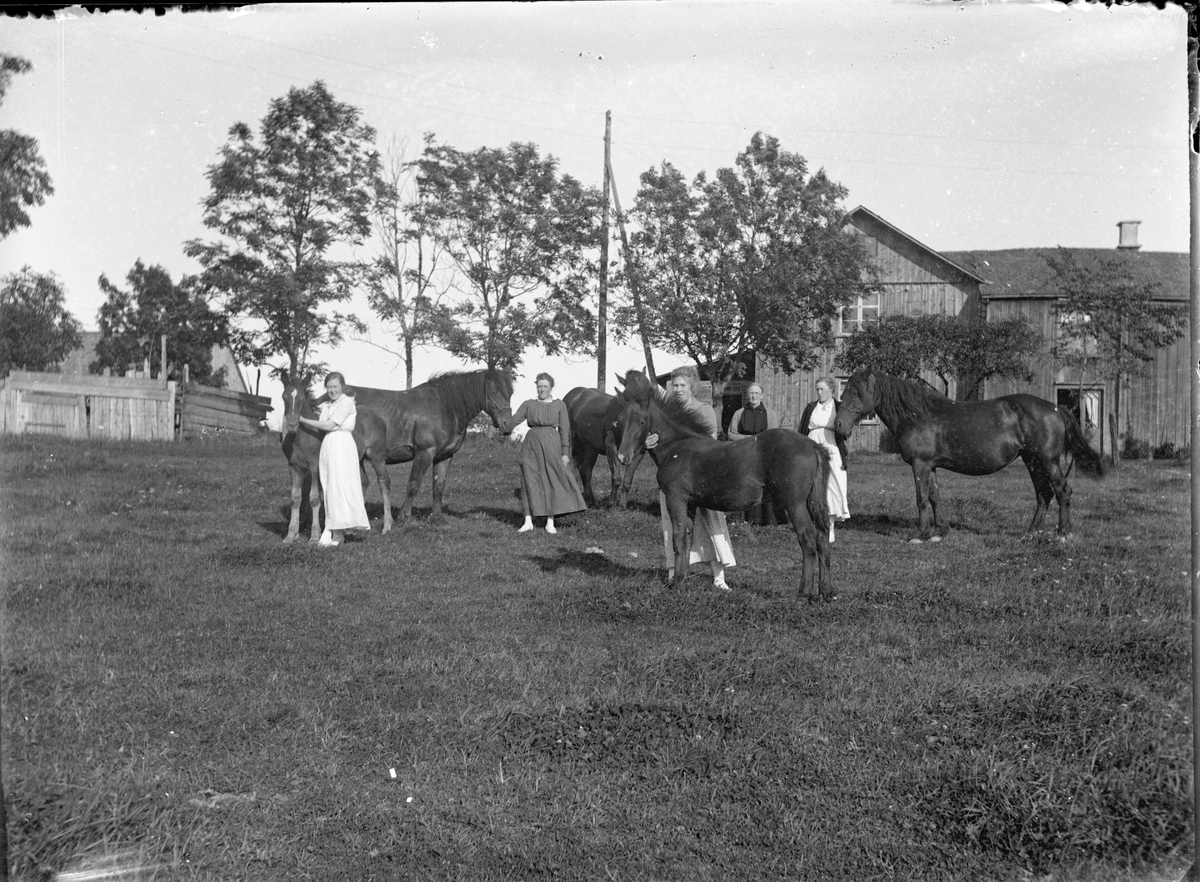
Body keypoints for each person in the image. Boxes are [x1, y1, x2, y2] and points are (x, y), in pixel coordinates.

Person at [645, 365, 737, 590]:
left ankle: (719, 576)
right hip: (674, 482)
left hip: (703, 479)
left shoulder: (703, 410)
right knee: (672, 525)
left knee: (712, 523)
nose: (678, 389)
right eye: (674, 385)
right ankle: (673, 573)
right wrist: (648, 444)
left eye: (682, 385)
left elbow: (712, 445)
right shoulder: (664, 415)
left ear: (692, 386)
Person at [295, 371, 370, 547]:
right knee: (329, 487)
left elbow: (329, 425)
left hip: (342, 445)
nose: (332, 390)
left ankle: (335, 532)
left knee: (340, 487)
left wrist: (303, 420)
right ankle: (333, 530)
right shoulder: (328, 406)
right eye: (329, 387)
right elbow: (323, 427)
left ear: (342, 386)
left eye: (335, 386)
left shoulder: (347, 403)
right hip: (328, 445)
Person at [507, 372, 586, 534]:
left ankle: (550, 522)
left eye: (545, 386)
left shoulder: (559, 405)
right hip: (531, 445)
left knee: (552, 479)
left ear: (551, 387)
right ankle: (528, 521)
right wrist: (501, 423)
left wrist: (565, 452)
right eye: (539, 386)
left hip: (552, 444)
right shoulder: (528, 404)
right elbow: (514, 420)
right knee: (528, 479)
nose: (542, 389)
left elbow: (565, 429)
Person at [799, 376, 851, 544]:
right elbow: (802, 431)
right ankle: (813, 525)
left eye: (822, 389)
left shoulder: (839, 407)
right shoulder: (810, 408)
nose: (819, 392)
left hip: (832, 447)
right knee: (813, 485)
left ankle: (830, 527)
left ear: (832, 390)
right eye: (817, 389)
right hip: (812, 446)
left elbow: (846, 430)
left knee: (833, 485)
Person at [725, 382, 779, 525]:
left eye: (757, 393)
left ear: (762, 396)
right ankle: (740, 519)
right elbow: (731, 434)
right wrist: (749, 439)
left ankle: (765, 520)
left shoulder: (770, 414)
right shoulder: (739, 413)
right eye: (751, 393)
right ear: (747, 395)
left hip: (762, 453)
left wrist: (759, 441)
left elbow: (773, 435)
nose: (754, 396)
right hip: (743, 453)